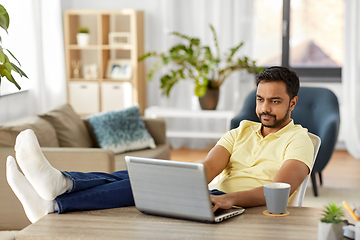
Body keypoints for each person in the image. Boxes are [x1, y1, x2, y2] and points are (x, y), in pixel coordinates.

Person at [6, 66, 314, 223]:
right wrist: (186, 182)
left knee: (147, 184)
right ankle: (57, 194)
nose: (265, 108)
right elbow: (206, 169)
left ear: (292, 103)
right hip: (214, 196)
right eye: (261, 99)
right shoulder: (241, 130)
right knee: (138, 177)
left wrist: (228, 200)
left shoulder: (298, 139)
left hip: (242, 208)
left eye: (275, 101)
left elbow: (278, 190)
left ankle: (60, 192)